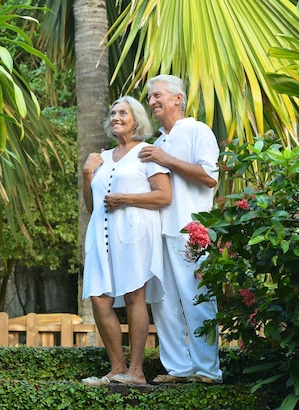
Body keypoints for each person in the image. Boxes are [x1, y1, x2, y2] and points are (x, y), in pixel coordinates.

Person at [81, 96, 172, 387]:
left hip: (135, 231)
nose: (116, 117)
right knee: (99, 298)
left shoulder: (147, 152)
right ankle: (116, 368)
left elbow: (163, 196)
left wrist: (124, 199)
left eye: (123, 112)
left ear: (137, 119)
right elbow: (93, 206)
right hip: (101, 233)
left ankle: (136, 371)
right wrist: (87, 175)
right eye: (113, 113)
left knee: (135, 296)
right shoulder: (102, 157)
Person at [138, 75, 223, 385]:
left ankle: (207, 371)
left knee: (197, 297)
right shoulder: (157, 142)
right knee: (162, 301)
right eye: (150, 97)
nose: (152, 102)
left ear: (177, 98)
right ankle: (179, 368)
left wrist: (166, 159)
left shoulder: (198, 130)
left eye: (157, 95)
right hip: (158, 233)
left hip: (192, 231)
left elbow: (209, 177)